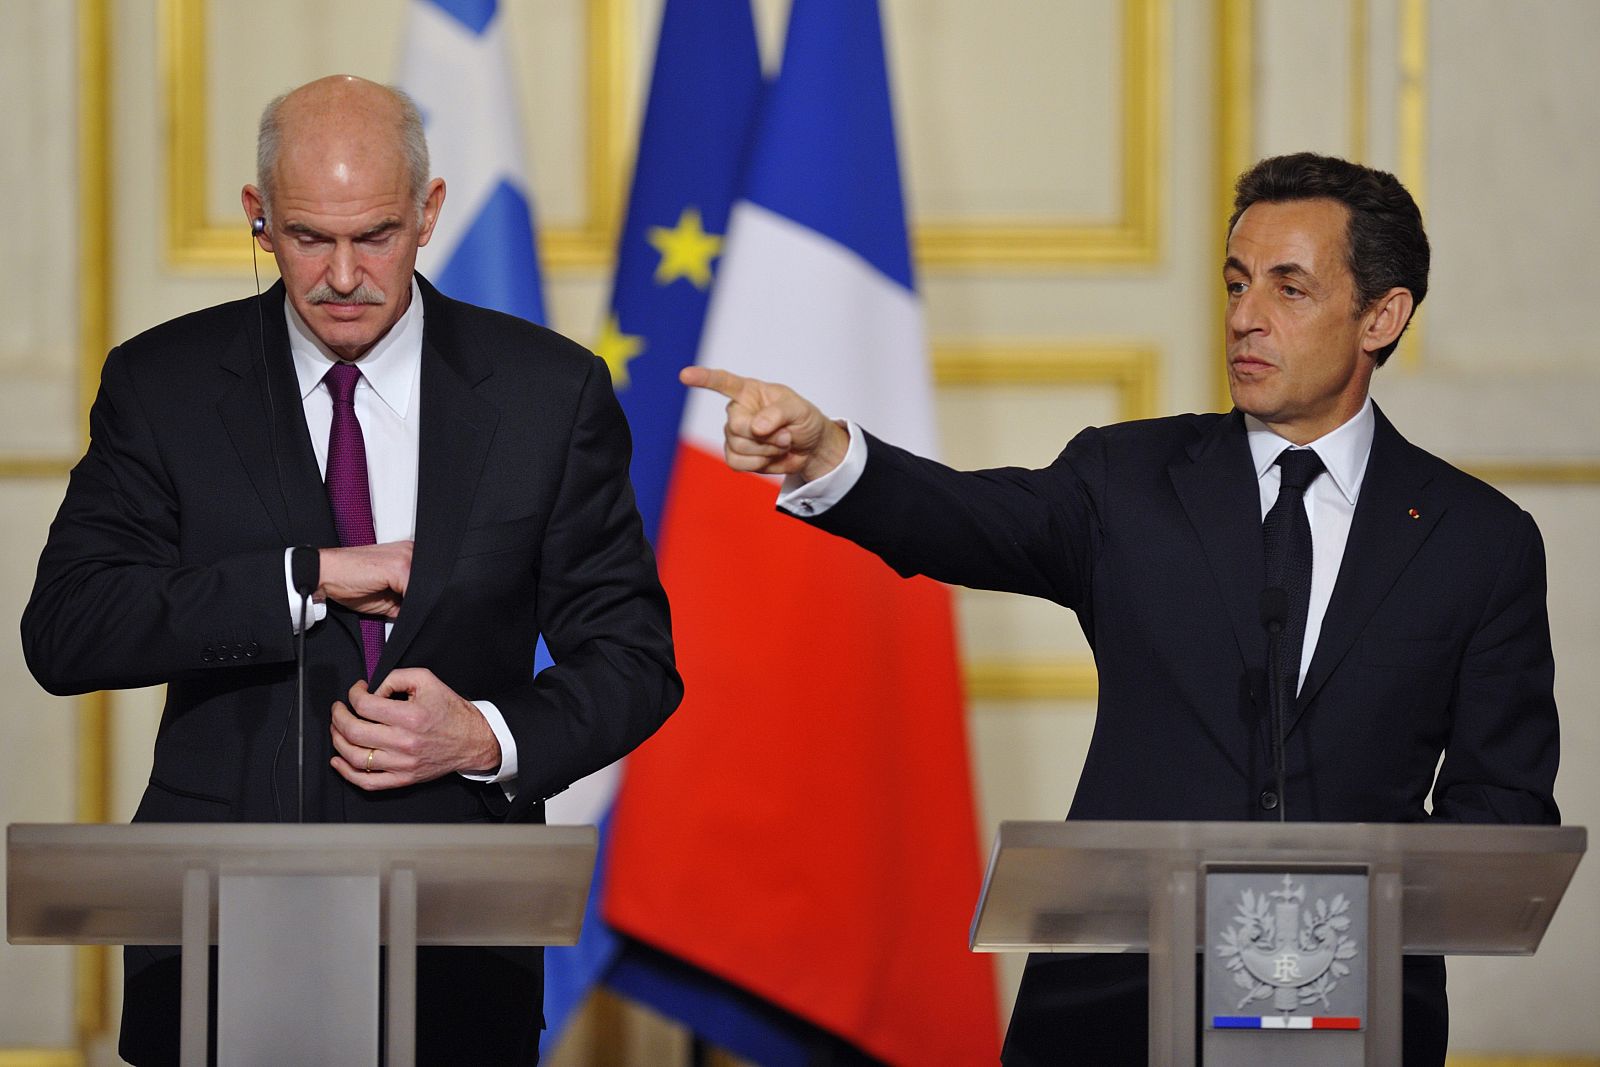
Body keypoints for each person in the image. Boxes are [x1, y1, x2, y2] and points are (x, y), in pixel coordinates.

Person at [683, 152, 1559, 1065]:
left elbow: (1502, 808)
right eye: (1236, 281)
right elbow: (968, 522)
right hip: (1114, 1004)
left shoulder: (1477, 541)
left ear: (1382, 315)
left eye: (1289, 288)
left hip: (1352, 1008)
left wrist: (1342, 895)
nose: (1245, 316)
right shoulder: (1128, 480)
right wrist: (828, 451)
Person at [21, 75, 680, 1064]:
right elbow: (68, 628)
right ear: (257, 217)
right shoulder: (165, 384)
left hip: (459, 939)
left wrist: (485, 734)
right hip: (216, 931)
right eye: (304, 237)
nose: (340, 275)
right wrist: (303, 573)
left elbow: (634, 658)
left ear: (429, 214)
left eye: (373, 235)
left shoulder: (548, 392)